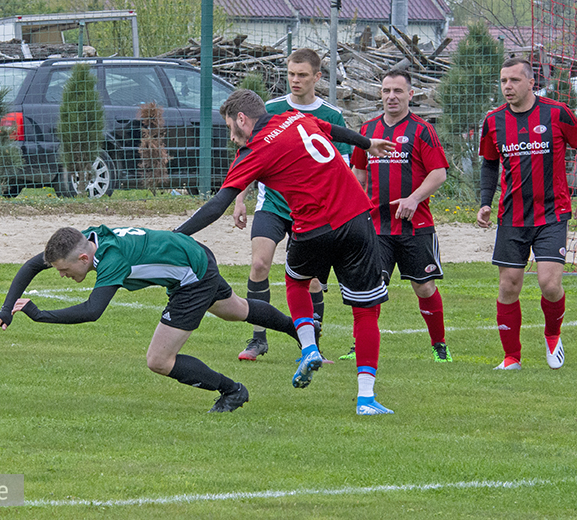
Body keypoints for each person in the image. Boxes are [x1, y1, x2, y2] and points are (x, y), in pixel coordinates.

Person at [175, 89, 399, 415]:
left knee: (296, 282)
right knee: (365, 311)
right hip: (355, 217)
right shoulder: (296, 117)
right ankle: (366, 399)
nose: (232, 137)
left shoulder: (255, 149)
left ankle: (309, 348)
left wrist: (175, 236)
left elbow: (217, 204)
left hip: (313, 228)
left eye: (230, 127)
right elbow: (334, 131)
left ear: (242, 119)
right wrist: (367, 143)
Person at [0, 225, 306, 413]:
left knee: (159, 359)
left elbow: (92, 311)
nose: (61, 274)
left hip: (192, 278)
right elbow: (32, 265)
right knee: (236, 309)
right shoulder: (86, 239)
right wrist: (5, 310)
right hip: (193, 255)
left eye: (64, 270)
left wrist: (40, 315)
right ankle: (306, 335)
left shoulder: (112, 259)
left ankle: (232, 390)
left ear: (84, 258)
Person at [476, 57, 577, 370]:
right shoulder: (494, 121)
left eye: (514, 80)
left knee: (549, 284)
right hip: (512, 216)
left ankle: (553, 335)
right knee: (508, 286)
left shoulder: (556, 112)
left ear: (531, 83)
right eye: (504, 81)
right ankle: (511, 358)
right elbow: (489, 163)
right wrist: (485, 202)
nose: (508, 87)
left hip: (552, 213)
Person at [232, 48, 352, 363]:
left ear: (317, 77)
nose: (295, 80)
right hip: (273, 205)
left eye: (302, 75)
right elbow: (249, 158)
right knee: (259, 264)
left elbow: (342, 167)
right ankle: (258, 339)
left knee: (311, 280)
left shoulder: (331, 116)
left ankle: (310, 347)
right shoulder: (271, 110)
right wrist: (239, 198)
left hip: (312, 211)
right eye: (291, 74)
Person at [350, 70, 452, 363]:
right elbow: (359, 173)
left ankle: (439, 345)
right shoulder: (368, 129)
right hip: (376, 226)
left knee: (424, 286)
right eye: (386, 91)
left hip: (415, 226)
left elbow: (439, 173)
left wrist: (414, 198)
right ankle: (360, 345)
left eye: (397, 91)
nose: (391, 97)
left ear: (410, 94)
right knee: (370, 286)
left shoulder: (422, 130)